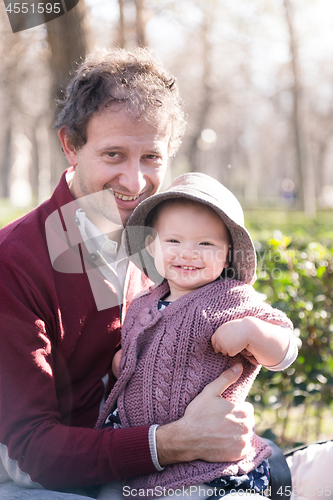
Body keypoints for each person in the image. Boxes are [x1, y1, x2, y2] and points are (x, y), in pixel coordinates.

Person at [0, 47, 266, 500]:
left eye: (151, 158)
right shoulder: (15, 262)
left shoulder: (162, 244)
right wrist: (176, 442)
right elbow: (33, 450)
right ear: (70, 144)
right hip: (43, 478)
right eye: (113, 155)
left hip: (154, 464)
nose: (135, 180)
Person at [95, 172, 297, 500]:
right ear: (151, 245)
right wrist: (126, 362)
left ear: (228, 252)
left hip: (207, 464)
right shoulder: (143, 302)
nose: (189, 253)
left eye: (205, 243)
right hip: (142, 452)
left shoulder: (232, 298)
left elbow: (286, 349)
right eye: (173, 241)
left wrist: (252, 331)